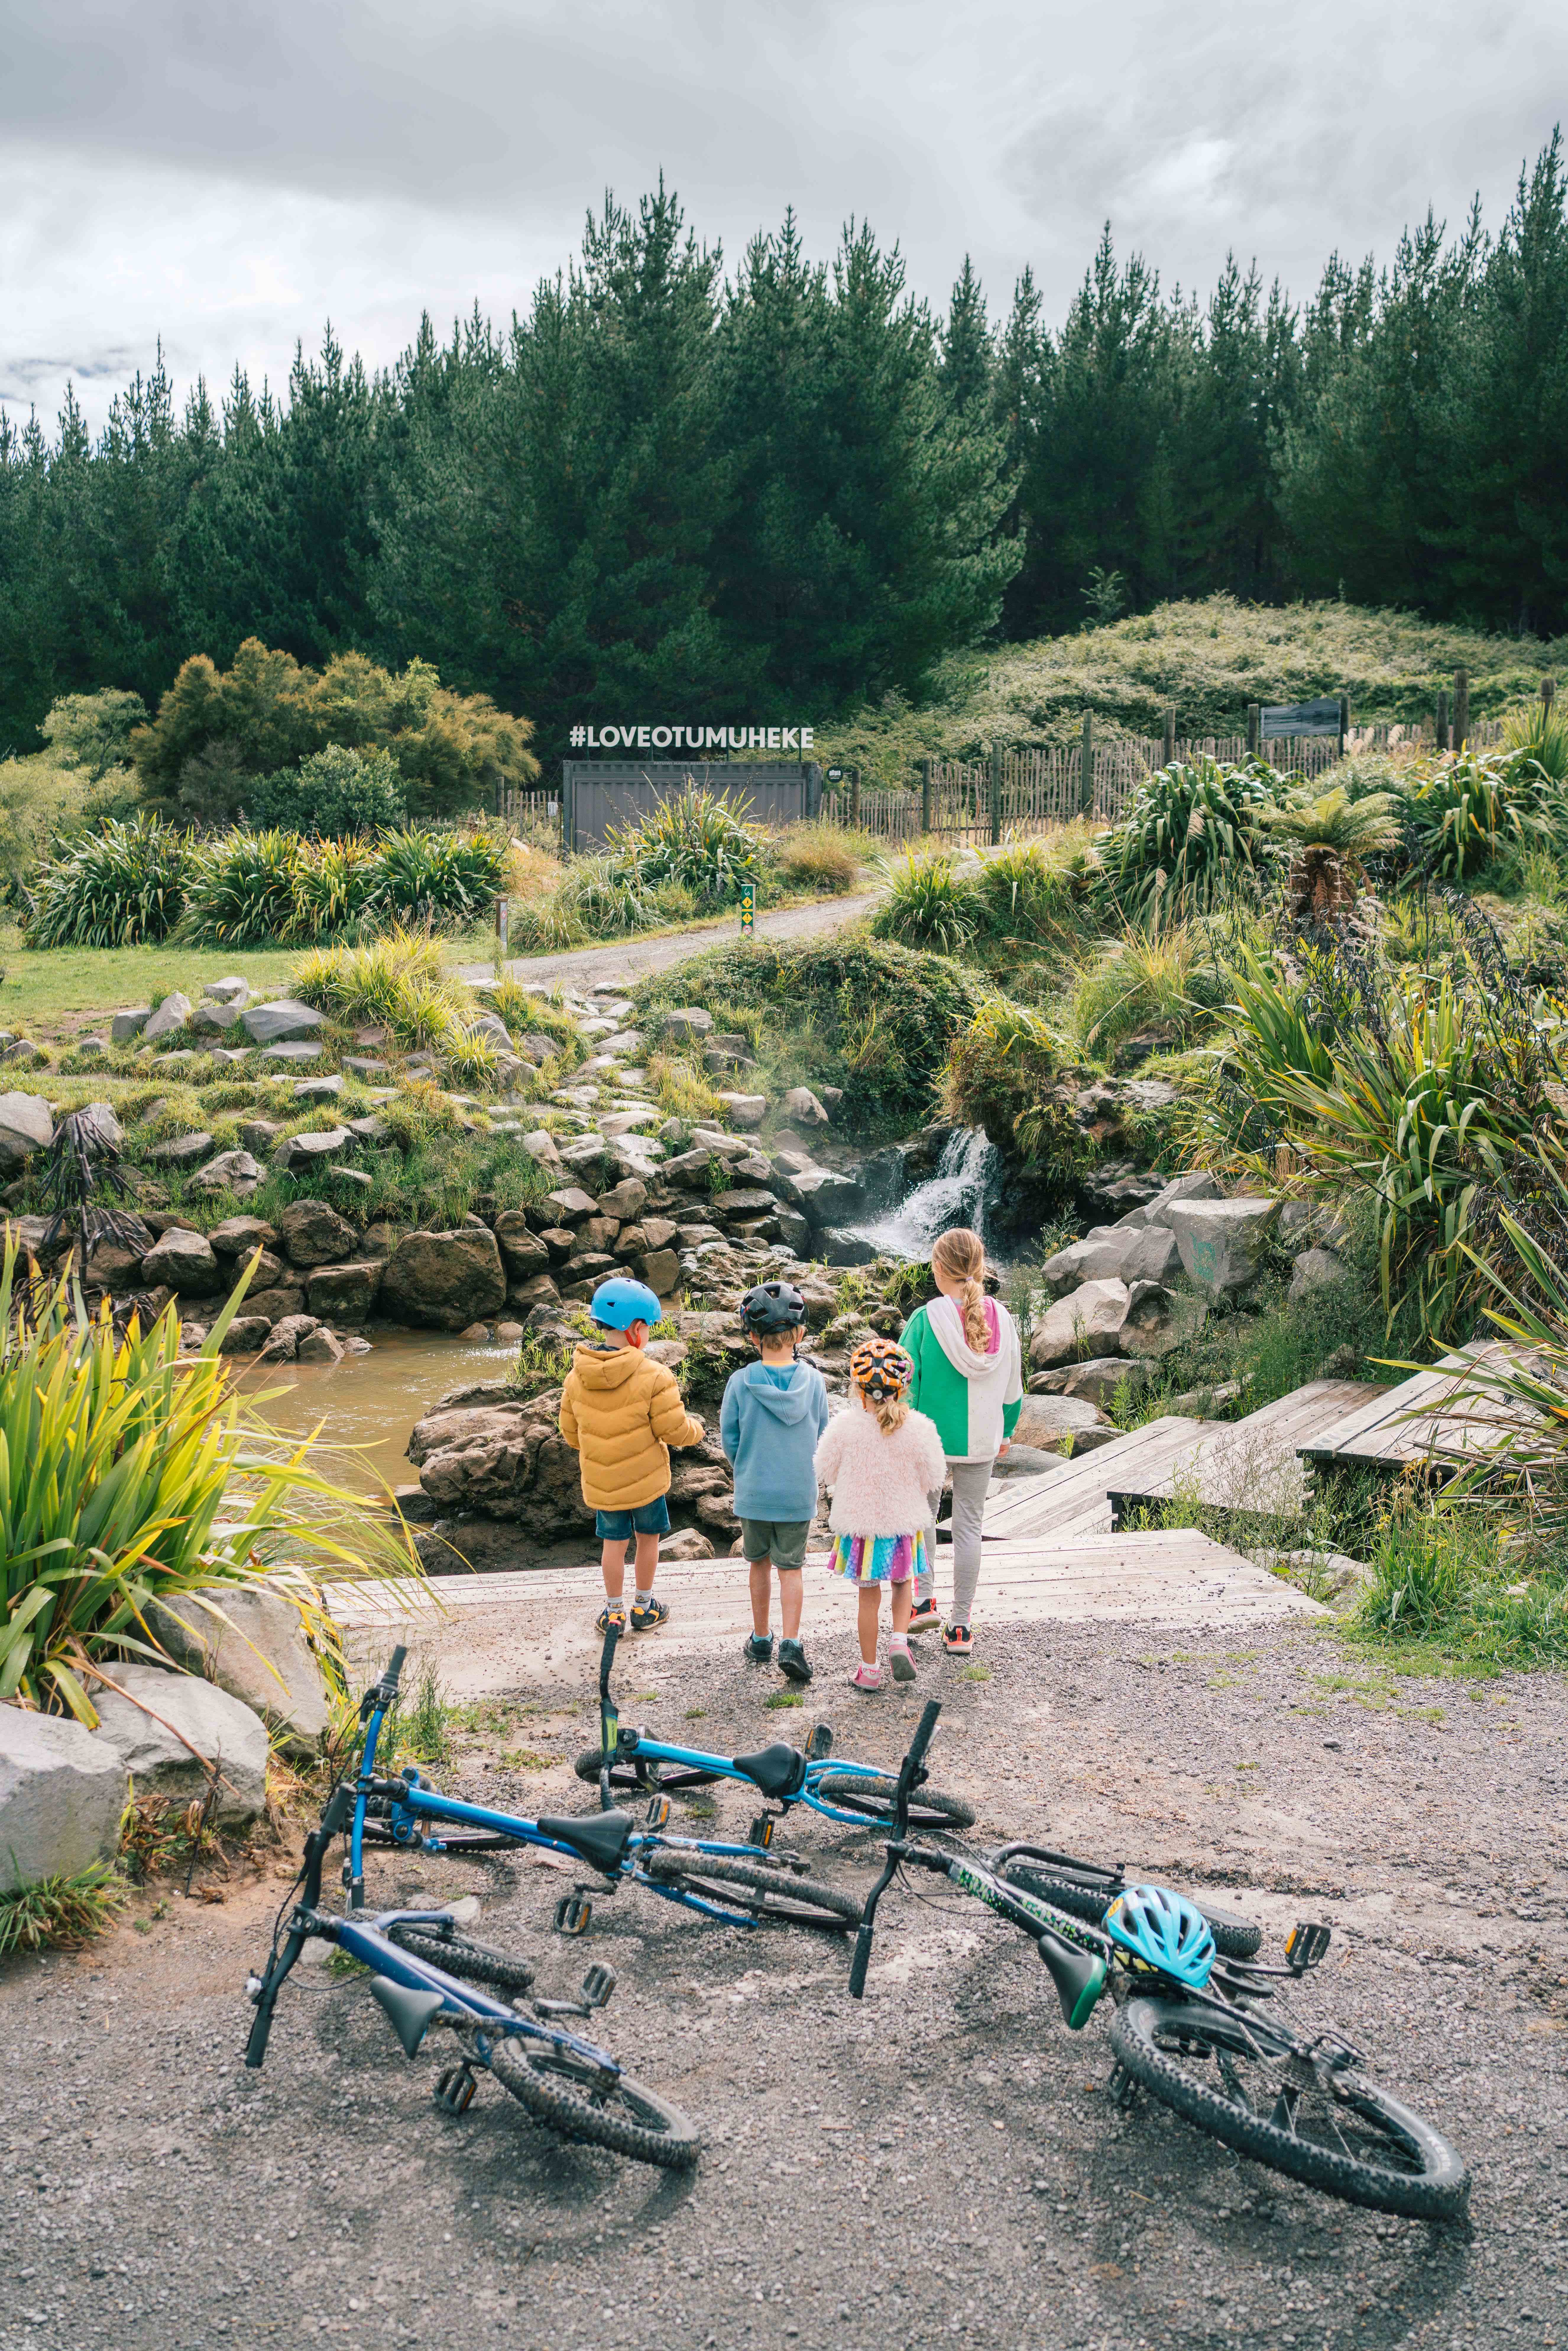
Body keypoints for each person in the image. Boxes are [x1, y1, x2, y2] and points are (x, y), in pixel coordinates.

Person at [558, 1276, 705, 1636]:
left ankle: (613, 1613)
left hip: (605, 1485)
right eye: (650, 1328)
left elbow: (571, 1434)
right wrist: (698, 1429)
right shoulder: (655, 1374)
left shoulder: (576, 1377)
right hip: (646, 1483)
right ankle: (644, 1607)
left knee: (613, 1545)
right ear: (637, 1329)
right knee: (648, 1540)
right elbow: (674, 1430)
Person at [901, 1226, 1023, 1657]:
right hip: (982, 1439)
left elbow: (904, 1383)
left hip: (931, 1438)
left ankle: (923, 1599)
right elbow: (1014, 1388)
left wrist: (901, 1429)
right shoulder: (1004, 1320)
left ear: (938, 1269)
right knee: (970, 1526)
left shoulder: (924, 1319)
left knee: (924, 1515)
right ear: (980, 1267)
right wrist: (1006, 1430)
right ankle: (961, 1626)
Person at [812, 1338, 946, 1693]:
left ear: (858, 1389)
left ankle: (869, 1670)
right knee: (903, 1585)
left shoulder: (845, 1427)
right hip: (903, 1523)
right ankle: (899, 1641)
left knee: (868, 1598)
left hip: (863, 1526)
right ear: (904, 1387)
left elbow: (824, 1468)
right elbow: (934, 1478)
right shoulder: (920, 1427)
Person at [720, 1280, 831, 1688]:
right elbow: (823, 1434)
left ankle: (762, 1639)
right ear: (800, 1336)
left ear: (753, 1336)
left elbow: (729, 1439)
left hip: (754, 1493)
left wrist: (747, 1468)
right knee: (792, 1569)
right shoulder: (815, 1383)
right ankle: (792, 1643)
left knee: (759, 1564)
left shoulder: (740, 1383)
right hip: (797, 1493)